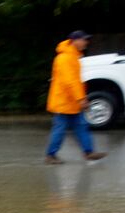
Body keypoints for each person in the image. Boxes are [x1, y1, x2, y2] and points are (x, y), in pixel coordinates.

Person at [45, 30, 107, 164]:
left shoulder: (73, 57)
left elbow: (75, 82)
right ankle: (50, 155)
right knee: (60, 129)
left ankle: (89, 152)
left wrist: (80, 98)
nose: (86, 42)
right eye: (84, 40)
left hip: (71, 101)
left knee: (81, 126)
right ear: (75, 41)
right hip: (63, 102)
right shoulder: (64, 58)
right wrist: (81, 98)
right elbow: (70, 81)